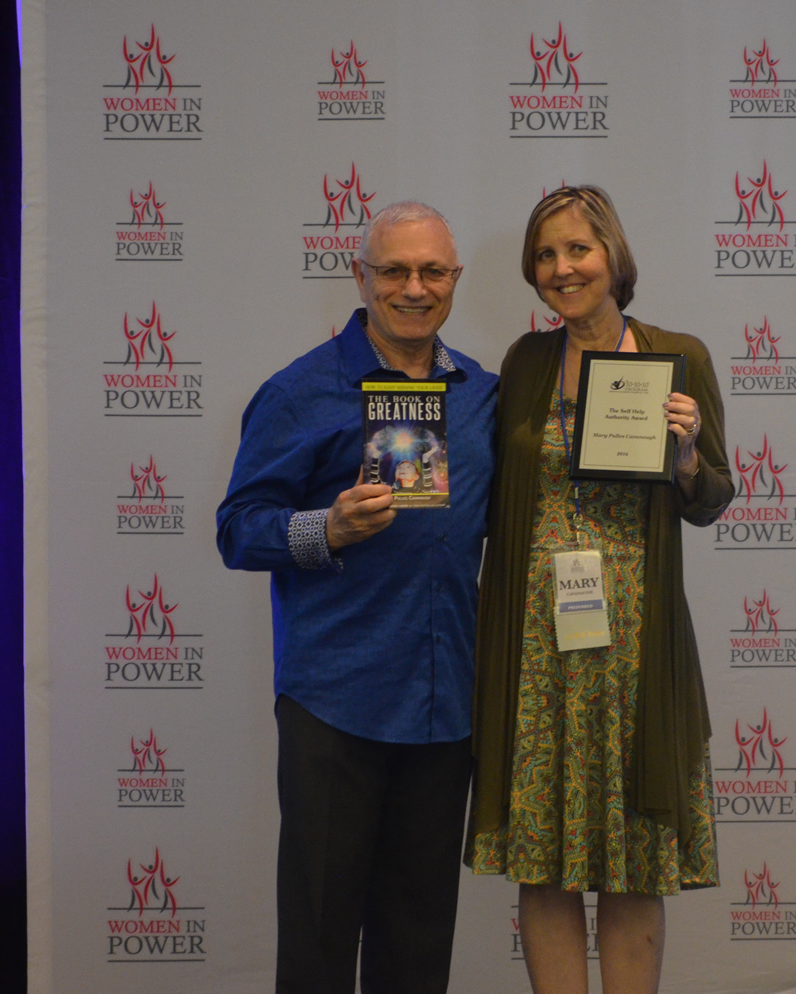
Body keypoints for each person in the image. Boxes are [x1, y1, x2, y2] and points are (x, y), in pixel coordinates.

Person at [216, 202, 496, 994]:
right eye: (394, 271)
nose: (414, 288)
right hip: (334, 705)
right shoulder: (299, 391)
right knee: (318, 942)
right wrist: (326, 529)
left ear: (455, 279)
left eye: (432, 271)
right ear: (360, 276)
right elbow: (237, 530)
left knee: (418, 945)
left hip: (444, 707)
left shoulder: (482, 394)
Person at [467, 186, 733, 992]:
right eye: (545, 255)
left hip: (635, 652)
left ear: (613, 256)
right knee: (542, 861)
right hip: (537, 648)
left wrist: (684, 457)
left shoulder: (678, 355)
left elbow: (713, 497)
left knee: (635, 861)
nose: (562, 268)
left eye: (577, 249)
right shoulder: (525, 361)